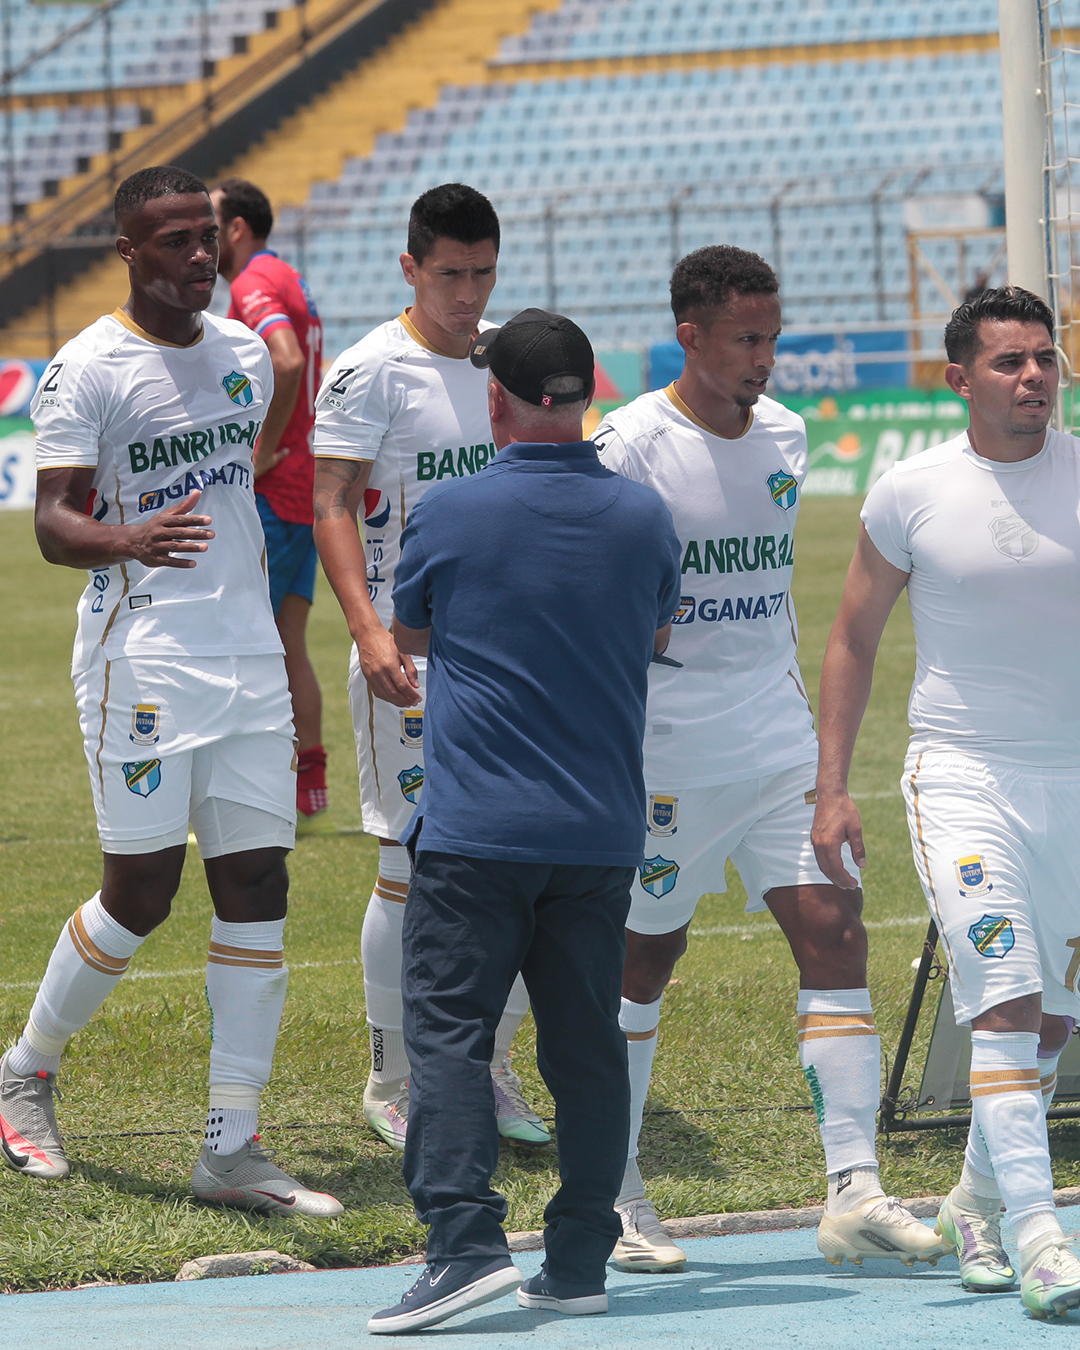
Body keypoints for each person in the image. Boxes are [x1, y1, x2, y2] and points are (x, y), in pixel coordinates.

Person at [0, 165, 342, 1219]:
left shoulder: (244, 355)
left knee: (258, 885)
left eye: (208, 236)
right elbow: (53, 522)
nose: (201, 255)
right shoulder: (87, 368)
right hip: (142, 659)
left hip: (249, 660)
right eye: (175, 240)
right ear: (129, 251)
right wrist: (130, 537)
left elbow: (250, 475)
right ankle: (24, 1070)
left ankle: (231, 1146)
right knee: (142, 893)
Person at [593, 244, 943, 1273]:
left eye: (773, 339)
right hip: (662, 759)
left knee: (836, 931)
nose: (764, 359)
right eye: (746, 339)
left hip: (778, 747)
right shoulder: (629, 445)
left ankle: (854, 1191)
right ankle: (615, 1191)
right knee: (643, 960)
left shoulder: (787, 434)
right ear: (689, 336)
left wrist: (831, 779)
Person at [367, 309, 683, 1334]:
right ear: (587, 391)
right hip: (599, 828)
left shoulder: (454, 510)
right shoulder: (644, 516)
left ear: (494, 398)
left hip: (479, 829)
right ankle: (579, 1260)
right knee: (585, 1046)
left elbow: (411, 629)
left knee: (448, 1036)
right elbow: (657, 630)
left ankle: (462, 1244)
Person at [813, 285, 1080, 1319]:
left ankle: (974, 1201)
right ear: (960, 378)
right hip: (963, 777)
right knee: (1006, 1001)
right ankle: (1042, 1238)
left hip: (1072, 781)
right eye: (1011, 361)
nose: (1035, 376)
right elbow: (852, 637)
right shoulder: (910, 490)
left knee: (1051, 1024)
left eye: (1046, 357)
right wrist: (833, 787)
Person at [312, 183, 547, 1151]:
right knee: (411, 864)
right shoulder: (369, 371)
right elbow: (330, 503)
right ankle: (392, 1078)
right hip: (410, 655)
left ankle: (487, 1062)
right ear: (410, 268)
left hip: (514, 655)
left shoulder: (511, 359)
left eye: (483, 272)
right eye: (450, 273)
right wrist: (369, 630)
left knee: (527, 864)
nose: (468, 293)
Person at [210, 177, 333, 837]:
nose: (202, 240)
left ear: (237, 228)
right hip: (305, 484)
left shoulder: (253, 280)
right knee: (288, 642)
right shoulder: (290, 277)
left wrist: (260, 449)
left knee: (241, 640)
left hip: (275, 489)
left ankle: (248, 793)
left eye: (210, 224)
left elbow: (284, 362)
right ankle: (308, 788)